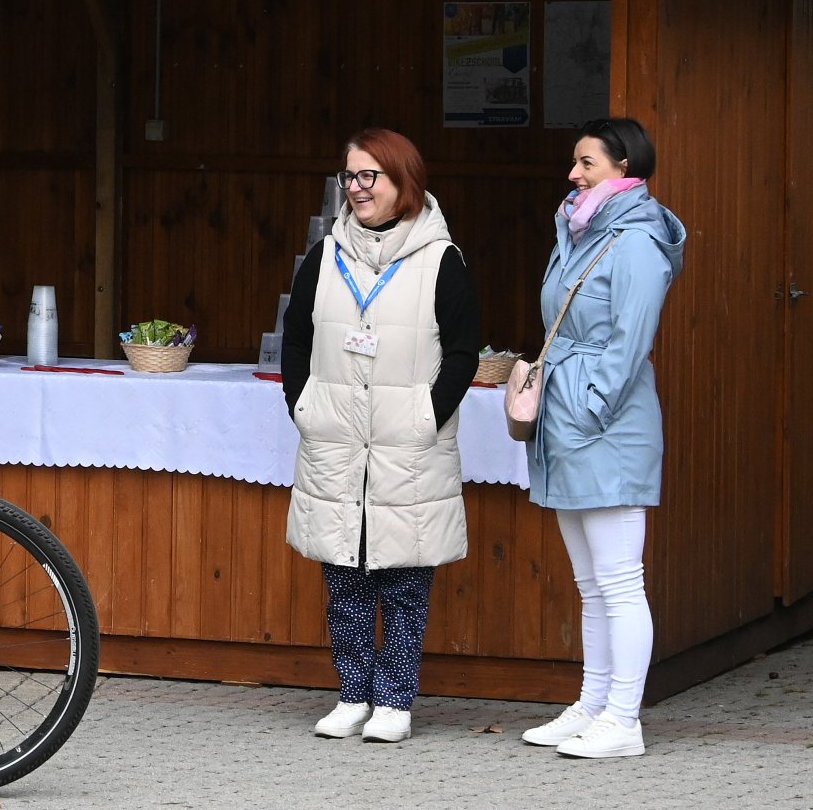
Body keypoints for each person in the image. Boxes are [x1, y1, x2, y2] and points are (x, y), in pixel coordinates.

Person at [281, 129, 480, 744]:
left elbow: (465, 351)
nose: (357, 189)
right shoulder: (325, 255)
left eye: (370, 176)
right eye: (350, 176)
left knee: (404, 584)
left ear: (404, 183)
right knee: (343, 579)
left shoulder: (441, 260)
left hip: (408, 448)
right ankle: (351, 695)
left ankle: (394, 701)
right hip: (337, 442)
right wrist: (305, 406)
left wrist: (427, 416)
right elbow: (295, 340)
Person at [517, 117, 684, 760]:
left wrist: (589, 406)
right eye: (575, 162)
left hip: (604, 420)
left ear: (623, 168)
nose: (573, 173)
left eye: (585, 163)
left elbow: (629, 338)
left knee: (619, 581)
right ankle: (593, 703)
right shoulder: (583, 231)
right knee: (592, 584)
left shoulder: (635, 240)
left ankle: (624, 719)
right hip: (574, 413)